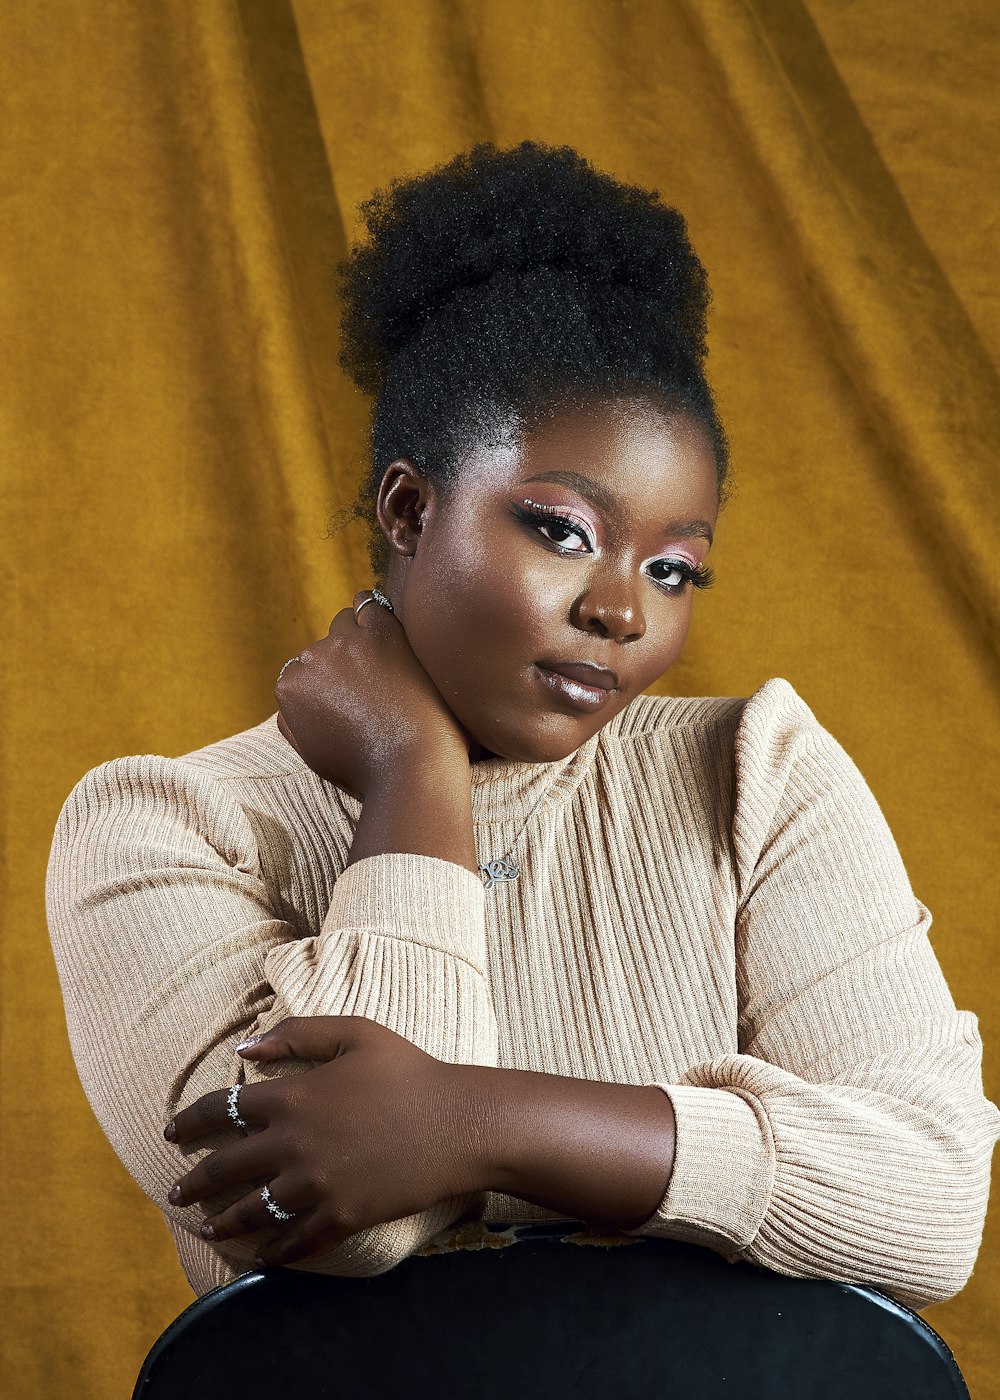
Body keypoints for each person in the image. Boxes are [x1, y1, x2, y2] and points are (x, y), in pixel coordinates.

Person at [46, 140, 1000, 1311]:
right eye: (560, 529)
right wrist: (412, 774)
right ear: (409, 507)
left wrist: (476, 1123)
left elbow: (927, 1204)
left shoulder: (759, 776)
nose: (618, 607)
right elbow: (338, 1223)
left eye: (672, 567)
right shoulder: (165, 826)